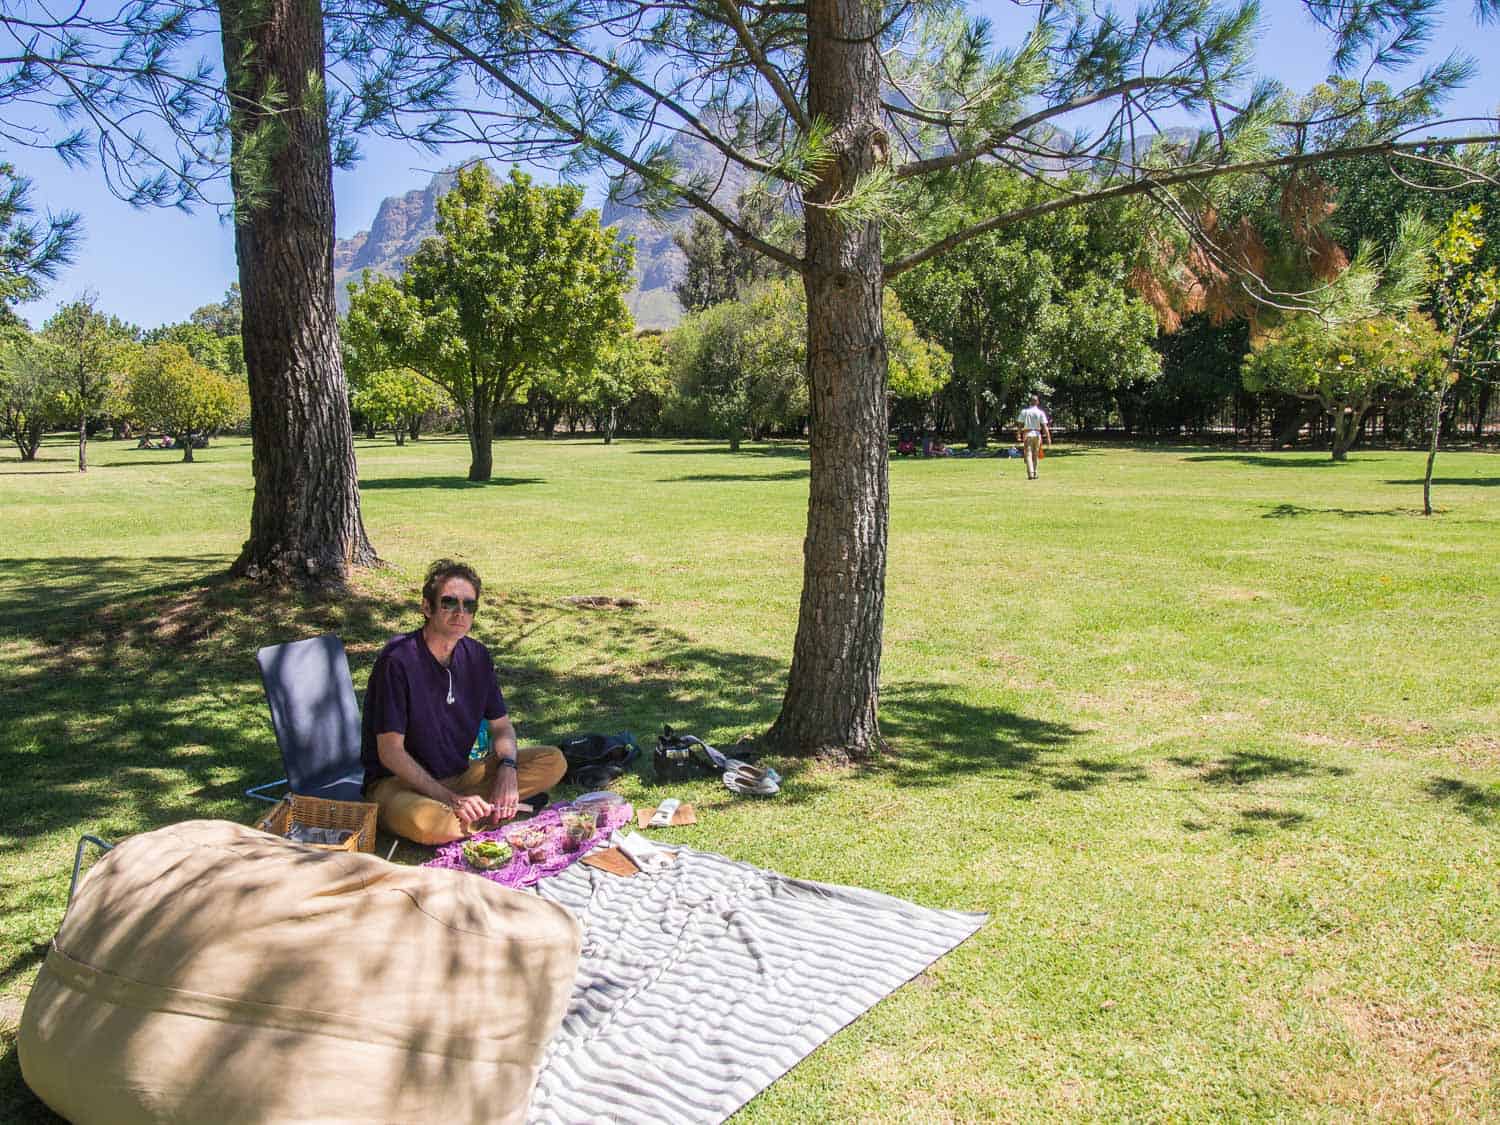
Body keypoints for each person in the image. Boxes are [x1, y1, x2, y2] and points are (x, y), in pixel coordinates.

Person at [362, 559, 567, 845]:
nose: (460, 612)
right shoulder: (397, 661)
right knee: (429, 824)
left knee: (553, 761)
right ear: (426, 607)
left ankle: (479, 809)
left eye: (468, 605)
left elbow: (502, 726)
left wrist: (508, 768)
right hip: (398, 784)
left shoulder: (477, 656)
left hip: (460, 775)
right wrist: (450, 799)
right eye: (449, 603)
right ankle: (485, 811)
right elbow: (390, 752)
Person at [1016, 395, 1052, 480]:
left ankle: (1030, 473)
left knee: (1028, 454)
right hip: (1037, 434)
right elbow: (1044, 426)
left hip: (1027, 434)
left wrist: (1018, 434)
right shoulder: (1040, 412)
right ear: (1037, 402)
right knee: (1035, 454)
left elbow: (1020, 425)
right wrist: (1048, 437)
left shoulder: (1024, 412)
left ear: (1030, 402)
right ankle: (1035, 472)